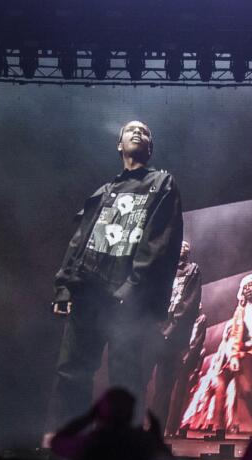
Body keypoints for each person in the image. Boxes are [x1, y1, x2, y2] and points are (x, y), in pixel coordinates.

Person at [47, 120, 183, 430]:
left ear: (150, 148)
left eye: (145, 132)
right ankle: (70, 442)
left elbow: (158, 243)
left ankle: (123, 453)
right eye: (131, 130)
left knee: (126, 377)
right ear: (119, 145)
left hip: (128, 298)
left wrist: (130, 290)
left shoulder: (161, 183)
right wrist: (64, 288)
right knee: (72, 371)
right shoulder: (104, 192)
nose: (138, 132)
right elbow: (80, 240)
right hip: (88, 292)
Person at [146, 240, 202, 433]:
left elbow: (189, 305)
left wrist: (169, 331)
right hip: (153, 333)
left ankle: (156, 432)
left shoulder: (193, 271)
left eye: (186, 247)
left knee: (164, 386)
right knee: (141, 378)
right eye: (179, 245)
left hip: (173, 339)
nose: (182, 248)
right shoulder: (162, 269)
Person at [222, 274, 252, 433]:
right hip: (248, 351)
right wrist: (233, 355)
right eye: (245, 286)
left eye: (250, 285)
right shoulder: (240, 310)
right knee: (246, 388)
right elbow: (235, 333)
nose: (248, 289)